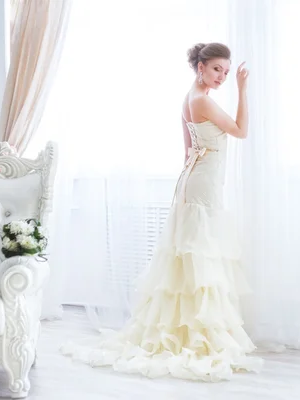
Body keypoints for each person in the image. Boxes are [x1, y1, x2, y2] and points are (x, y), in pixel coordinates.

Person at [61, 42, 263, 381]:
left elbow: (187, 151)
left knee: (192, 257)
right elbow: (241, 131)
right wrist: (243, 90)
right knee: (202, 257)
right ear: (201, 67)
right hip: (202, 186)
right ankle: (199, 333)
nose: (223, 77)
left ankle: (190, 328)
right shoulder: (201, 100)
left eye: (227, 73)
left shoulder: (189, 98)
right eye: (217, 69)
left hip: (194, 181)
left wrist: (201, 169)